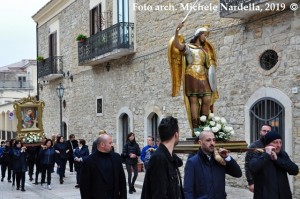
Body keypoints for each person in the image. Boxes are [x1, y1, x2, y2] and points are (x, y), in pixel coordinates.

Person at [169, 23, 218, 134]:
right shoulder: (188, 47)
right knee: (194, 101)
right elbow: (177, 45)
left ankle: (204, 125)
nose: (205, 38)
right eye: (204, 35)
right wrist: (177, 31)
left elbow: (209, 66)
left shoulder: (204, 51)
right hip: (191, 74)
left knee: (207, 99)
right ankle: (196, 128)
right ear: (199, 35)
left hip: (203, 75)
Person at [184, 130, 242, 198]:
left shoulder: (220, 160)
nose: (212, 143)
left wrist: (227, 157)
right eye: (208, 140)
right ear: (200, 142)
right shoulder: (193, 162)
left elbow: (238, 173)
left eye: (214, 140)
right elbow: (188, 190)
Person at [141, 116, 184, 199]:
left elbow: (179, 163)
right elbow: (159, 195)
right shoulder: (159, 159)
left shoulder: (169, 156)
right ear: (176, 134)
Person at [249, 131, 299, 199]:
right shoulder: (258, 153)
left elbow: (295, 170)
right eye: (275, 142)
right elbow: (253, 168)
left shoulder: (282, 154)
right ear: (267, 144)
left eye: (280, 142)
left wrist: (277, 160)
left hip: (283, 195)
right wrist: (266, 154)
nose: (279, 145)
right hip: (264, 195)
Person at [80, 134, 127, 199]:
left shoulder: (116, 157)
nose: (112, 145)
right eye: (110, 143)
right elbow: (84, 187)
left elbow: (122, 180)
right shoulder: (88, 161)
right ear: (102, 144)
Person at [244, 124, 272, 192]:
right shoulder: (254, 146)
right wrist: (251, 182)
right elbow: (247, 165)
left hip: (271, 180)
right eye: (264, 131)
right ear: (260, 132)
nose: (266, 133)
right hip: (258, 180)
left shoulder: (274, 144)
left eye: (268, 131)